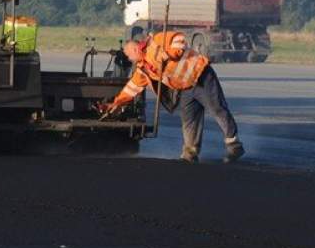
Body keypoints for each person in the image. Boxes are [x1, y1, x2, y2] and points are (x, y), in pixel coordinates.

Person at [102, 31, 244, 163]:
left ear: (134, 49)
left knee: (217, 109)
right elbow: (132, 88)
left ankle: (234, 145)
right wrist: (117, 103)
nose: (129, 59)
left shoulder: (156, 41)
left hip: (202, 76)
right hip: (185, 88)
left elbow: (179, 38)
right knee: (189, 119)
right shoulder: (143, 69)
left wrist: (169, 54)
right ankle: (190, 153)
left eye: (128, 55)